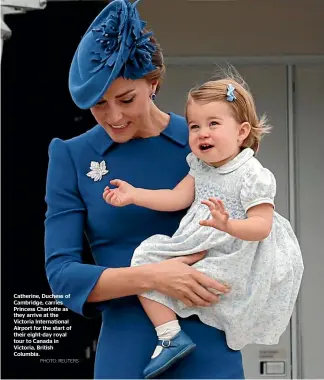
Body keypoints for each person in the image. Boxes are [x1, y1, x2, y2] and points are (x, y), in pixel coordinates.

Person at [44, 0, 245, 379]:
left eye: (125, 99)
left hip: (211, 345)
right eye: (98, 105)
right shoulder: (72, 156)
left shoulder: (205, 142)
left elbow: (248, 234)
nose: (114, 117)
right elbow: (62, 277)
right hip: (126, 351)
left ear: (152, 83)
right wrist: (153, 276)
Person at [103, 76, 304, 378]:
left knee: (200, 291)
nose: (202, 133)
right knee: (145, 258)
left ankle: (191, 337)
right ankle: (170, 335)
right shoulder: (200, 167)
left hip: (234, 252)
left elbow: (261, 227)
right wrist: (134, 195)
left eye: (213, 124)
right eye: (195, 126)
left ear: (241, 132)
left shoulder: (252, 174)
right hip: (201, 243)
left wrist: (229, 225)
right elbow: (175, 198)